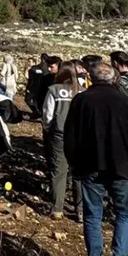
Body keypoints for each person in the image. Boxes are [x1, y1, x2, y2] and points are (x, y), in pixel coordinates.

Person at [64, 62, 128, 256]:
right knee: (124, 214)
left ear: (90, 79)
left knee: (93, 215)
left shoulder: (81, 101)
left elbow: (70, 137)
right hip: (123, 167)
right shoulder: (127, 102)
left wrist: (74, 165)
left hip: (90, 166)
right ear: (114, 79)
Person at [42, 61, 81, 220]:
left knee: (59, 171)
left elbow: (47, 115)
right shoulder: (81, 91)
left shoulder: (54, 90)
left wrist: (47, 130)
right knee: (78, 172)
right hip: (79, 136)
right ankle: (81, 210)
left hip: (60, 134)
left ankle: (58, 208)